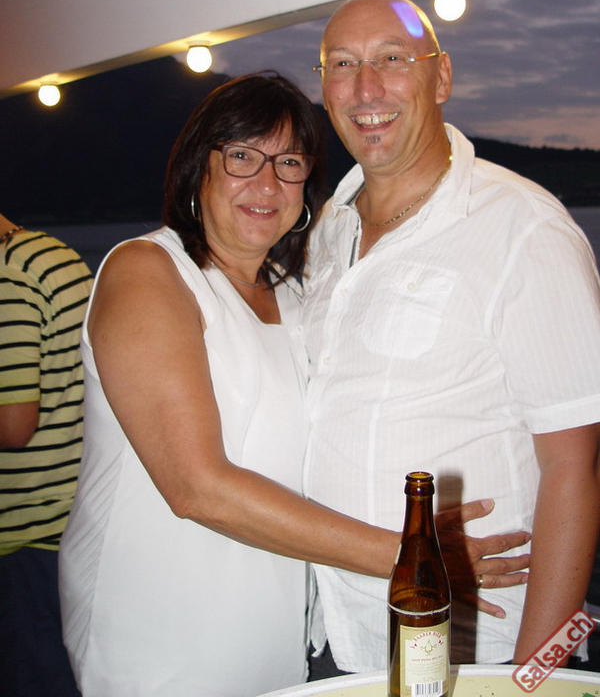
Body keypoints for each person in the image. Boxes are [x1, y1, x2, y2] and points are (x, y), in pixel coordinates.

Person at [58, 72, 529, 697]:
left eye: (288, 163)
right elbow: (196, 487)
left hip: (277, 627)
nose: (266, 183)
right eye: (242, 156)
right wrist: (413, 559)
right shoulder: (148, 271)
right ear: (199, 167)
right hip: (159, 626)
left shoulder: (294, 296)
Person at [303, 0, 600, 675]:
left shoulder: (522, 227)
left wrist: (533, 678)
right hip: (338, 635)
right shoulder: (323, 230)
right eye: (342, 64)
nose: (366, 88)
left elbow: (574, 468)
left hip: (475, 649)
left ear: (441, 77)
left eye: (392, 59)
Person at [0, 215, 93, 696]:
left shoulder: (8, 274)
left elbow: (14, 426)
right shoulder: (52, 254)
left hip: (25, 535)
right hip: (68, 524)